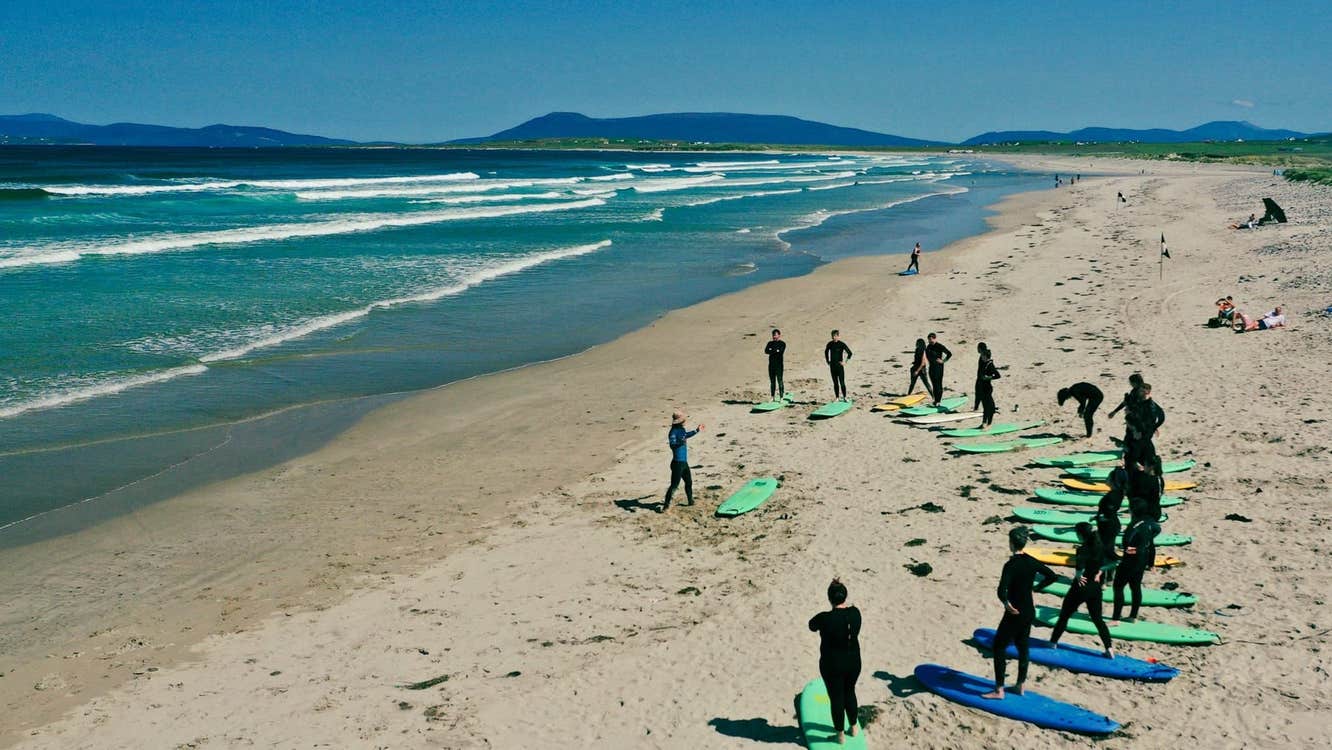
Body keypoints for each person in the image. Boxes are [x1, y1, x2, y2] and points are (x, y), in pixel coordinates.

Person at [982, 527, 1059, 700]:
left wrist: (1006, 603)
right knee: (1023, 647)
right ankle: (1020, 685)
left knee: (999, 647)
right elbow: (1053, 576)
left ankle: (999, 690)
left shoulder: (1010, 565)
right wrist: (1036, 588)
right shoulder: (1032, 561)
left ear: (1011, 543)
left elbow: (1002, 590)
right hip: (1029, 611)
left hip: (1014, 612)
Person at [1046, 522, 1116, 659]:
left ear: (1080, 535)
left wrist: (1078, 574)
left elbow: (1080, 568)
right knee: (1098, 620)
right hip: (1095, 587)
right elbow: (1115, 561)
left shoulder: (1083, 549)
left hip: (1080, 586)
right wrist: (1100, 571)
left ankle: (1053, 643)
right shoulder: (1101, 545)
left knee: (1064, 616)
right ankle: (1109, 649)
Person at [808, 578, 862, 744]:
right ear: (845, 596)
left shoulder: (824, 618)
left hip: (832, 665)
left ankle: (839, 735)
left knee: (837, 698)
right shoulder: (855, 613)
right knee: (850, 692)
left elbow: (811, 625)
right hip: (854, 662)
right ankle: (853, 727)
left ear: (829, 598)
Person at [1114, 508, 1161, 621]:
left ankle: (1115, 619)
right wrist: (1151, 563)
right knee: (1135, 587)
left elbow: (1128, 545)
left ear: (1133, 512)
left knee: (1118, 587)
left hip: (1131, 561)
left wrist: (1128, 551)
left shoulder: (1133, 526)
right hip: (1142, 560)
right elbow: (1152, 542)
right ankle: (1133, 617)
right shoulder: (1149, 524)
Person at [662, 410, 703, 512]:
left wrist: (697, 430)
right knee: (674, 485)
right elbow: (672, 445)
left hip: (684, 463)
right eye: (684, 420)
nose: (685, 421)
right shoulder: (673, 432)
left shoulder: (681, 429)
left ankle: (690, 501)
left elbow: (686, 435)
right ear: (680, 421)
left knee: (688, 482)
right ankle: (665, 506)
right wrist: (680, 442)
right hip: (677, 464)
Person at [1124, 383, 1165, 467]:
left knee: (1136, 452)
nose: (1139, 393)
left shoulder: (1151, 405)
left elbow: (1161, 417)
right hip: (1136, 431)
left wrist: (1154, 427)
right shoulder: (1138, 402)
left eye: (1142, 391)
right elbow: (1129, 417)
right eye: (1139, 391)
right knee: (1140, 451)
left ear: (1148, 392)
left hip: (1142, 433)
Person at [974, 342, 1001, 429]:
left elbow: (997, 375)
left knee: (988, 406)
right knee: (986, 406)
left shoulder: (990, 365)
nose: (981, 357)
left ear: (985, 356)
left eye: (982, 356)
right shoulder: (983, 362)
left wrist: (988, 377)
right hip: (981, 386)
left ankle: (988, 423)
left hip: (987, 388)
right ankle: (984, 423)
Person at [825, 330, 853, 401]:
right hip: (832, 366)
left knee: (842, 383)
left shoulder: (841, 344)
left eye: (835, 336)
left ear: (838, 336)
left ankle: (845, 397)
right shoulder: (830, 344)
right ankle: (837, 397)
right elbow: (826, 352)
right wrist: (828, 361)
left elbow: (850, 353)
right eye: (833, 336)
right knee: (835, 383)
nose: (834, 337)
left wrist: (845, 362)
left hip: (839, 367)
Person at [925, 333, 952, 406]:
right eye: (929, 340)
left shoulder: (939, 346)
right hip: (931, 367)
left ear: (935, 338)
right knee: (934, 384)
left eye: (931, 340)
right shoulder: (928, 347)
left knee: (938, 384)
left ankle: (938, 401)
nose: (930, 341)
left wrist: (943, 361)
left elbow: (949, 354)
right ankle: (935, 400)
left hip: (939, 368)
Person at [764, 329, 786, 400]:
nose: (774, 336)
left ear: (779, 335)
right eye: (773, 335)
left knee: (780, 381)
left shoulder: (782, 343)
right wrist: (776, 350)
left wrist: (772, 351)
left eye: (775, 335)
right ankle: (772, 397)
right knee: (772, 382)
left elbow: (781, 352)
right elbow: (766, 351)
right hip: (771, 365)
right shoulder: (769, 343)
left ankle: (781, 397)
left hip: (779, 365)